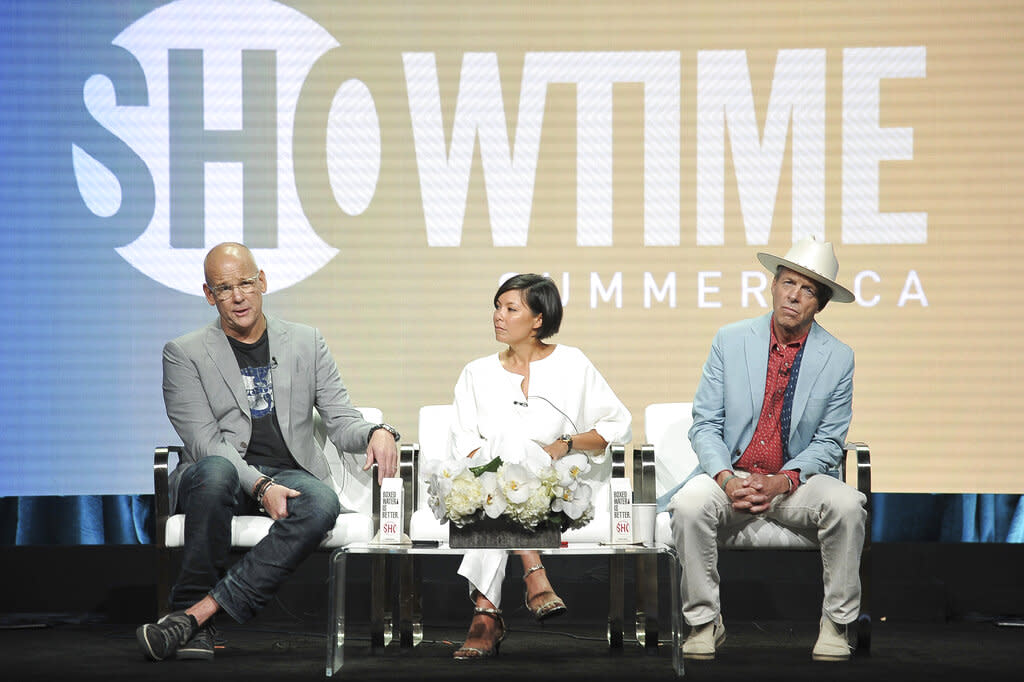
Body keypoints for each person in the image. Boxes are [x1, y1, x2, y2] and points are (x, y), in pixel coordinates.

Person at [136, 242, 401, 662]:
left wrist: (379, 431)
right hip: (211, 476)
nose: (238, 296)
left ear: (262, 282)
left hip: (286, 471)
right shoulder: (183, 352)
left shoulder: (305, 342)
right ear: (209, 295)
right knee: (219, 469)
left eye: (245, 283)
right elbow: (205, 442)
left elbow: (340, 419)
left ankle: (195, 615)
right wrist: (261, 488)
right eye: (225, 288)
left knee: (321, 502)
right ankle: (193, 608)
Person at [661, 237, 867, 662]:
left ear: (820, 304)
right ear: (773, 286)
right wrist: (725, 478)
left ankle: (837, 623)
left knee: (848, 504)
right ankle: (703, 622)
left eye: (808, 289)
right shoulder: (731, 339)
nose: (794, 295)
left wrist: (782, 480)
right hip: (732, 476)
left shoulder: (838, 357)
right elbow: (706, 424)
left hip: (794, 483)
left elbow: (829, 441)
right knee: (689, 503)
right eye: (788, 282)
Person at [446, 274, 631, 659]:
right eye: (497, 307)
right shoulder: (476, 373)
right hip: (491, 486)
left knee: (519, 450)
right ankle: (533, 567)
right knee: (506, 451)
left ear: (538, 319)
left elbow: (616, 426)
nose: (498, 316)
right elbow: (465, 444)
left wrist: (564, 445)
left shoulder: (572, 363)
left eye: (510, 308)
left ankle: (485, 616)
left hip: (562, 485)